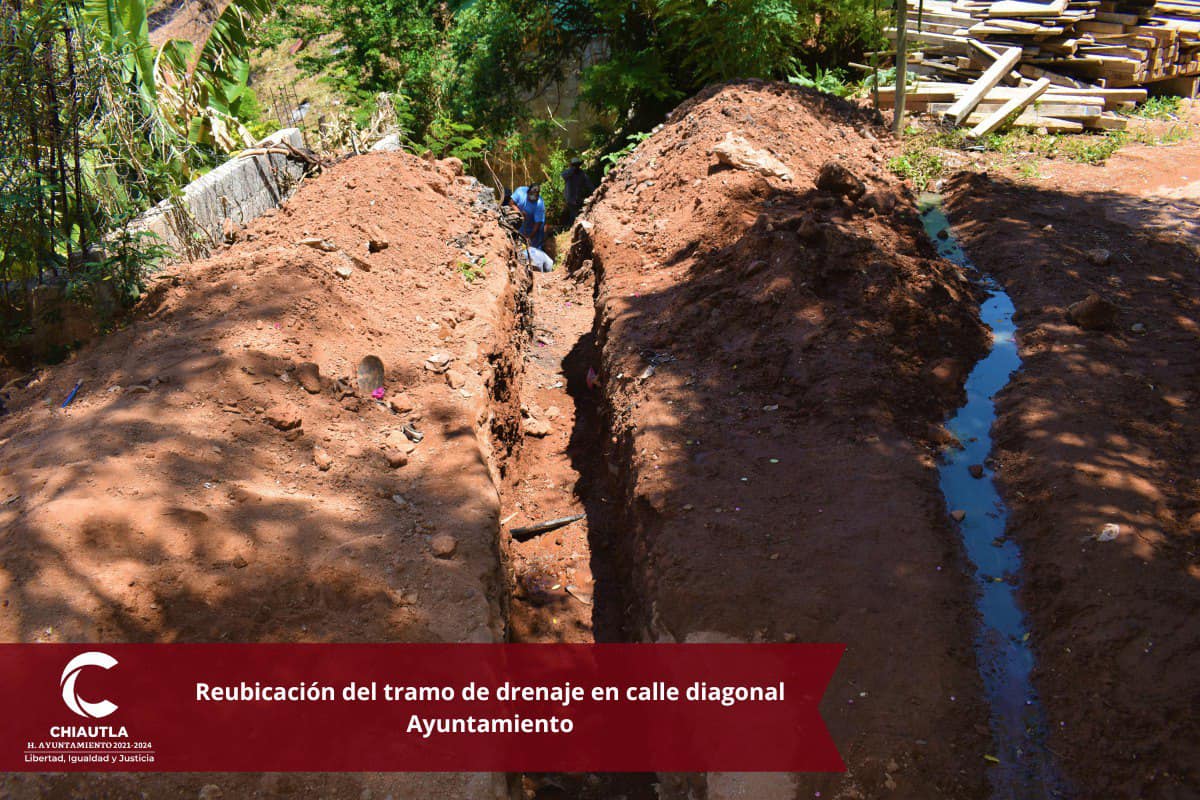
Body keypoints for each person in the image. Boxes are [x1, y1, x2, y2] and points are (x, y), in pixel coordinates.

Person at [508, 183, 546, 249]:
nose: (532, 200)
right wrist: (519, 213)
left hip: (534, 230)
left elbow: (538, 224)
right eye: (530, 198)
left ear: (537, 196)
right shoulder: (520, 191)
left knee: (534, 249)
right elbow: (511, 203)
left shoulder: (539, 204)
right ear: (527, 192)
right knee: (519, 247)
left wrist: (529, 237)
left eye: (534, 199)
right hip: (522, 227)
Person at [561, 157, 594, 226]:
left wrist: (594, 192)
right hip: (570, 198)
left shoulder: (581, 173)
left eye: (577, 165)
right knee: (573, 214)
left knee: (575, 214)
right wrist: (572, 170)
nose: (576, 167)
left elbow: (589, 184)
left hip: (577, 198)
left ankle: (571, 227)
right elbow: (563, 175)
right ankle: (570, 227)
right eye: (574, 165)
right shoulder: (568, 173)